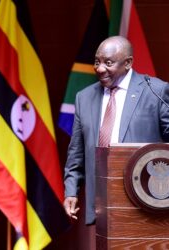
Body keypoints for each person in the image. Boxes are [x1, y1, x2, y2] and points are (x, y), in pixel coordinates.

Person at [63, 36, 169, 227]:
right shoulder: (84, 98)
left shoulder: (155, 91)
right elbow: (76, 152)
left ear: (128, 63)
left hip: (146, 198)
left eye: (108, 62)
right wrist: (71, 191)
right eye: (97, 61)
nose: (100, 68)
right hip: (102, 200)